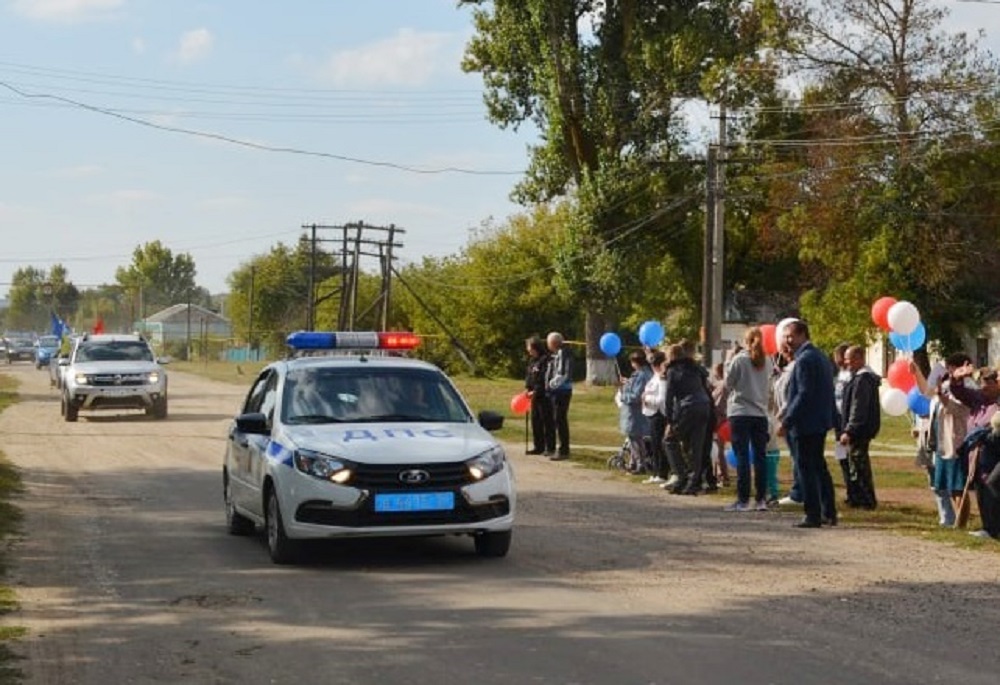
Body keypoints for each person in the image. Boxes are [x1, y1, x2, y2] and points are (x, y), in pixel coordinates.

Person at [778, 320, 838, 528]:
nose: (787, 341)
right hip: (818, 420)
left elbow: (804, 393)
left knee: (806, 468)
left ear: (803, 335)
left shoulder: (804, 359)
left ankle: (812, 514)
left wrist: (788, 420)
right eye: (786, 337)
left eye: (790, 336)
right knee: (819, 467)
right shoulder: (820, 356)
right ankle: (828, 511)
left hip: (806, 422)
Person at [912, 353, 972, 526]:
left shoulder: (967, 387)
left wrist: (943, 398)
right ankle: (957, 522)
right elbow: (927, 392)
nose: (947, 371)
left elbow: (961, 410)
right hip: (940, 441)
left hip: (956, 440)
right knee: (949, 485)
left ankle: (961, 523)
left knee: (959, 485)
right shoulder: (944, 385)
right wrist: (916, 372)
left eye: (950, 367)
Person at [723, 327, 773, 512]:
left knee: (742, 455)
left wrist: (728, 360)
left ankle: (743, 499)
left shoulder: (740, 359)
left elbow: (729, 383)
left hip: (740, 411)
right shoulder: (767, 360)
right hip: (760, 413)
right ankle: (761, 499)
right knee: (760, 457)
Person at [662, 343, 712, 495]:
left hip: (688, 407)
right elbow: (705, 377)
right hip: (704, 406)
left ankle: (681, 475)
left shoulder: (673, 371)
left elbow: (669, 398)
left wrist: (670, 421)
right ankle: (693, 482)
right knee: (695, 447)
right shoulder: (695, 368)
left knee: (669, 440)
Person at [838, 346, 881, 510]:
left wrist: (849, 430)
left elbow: (858, 407)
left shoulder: (863, 379)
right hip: (860, 429)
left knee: (859, 465)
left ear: (859, 359)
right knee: (854, 463)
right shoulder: (858, 378)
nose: (846, 362)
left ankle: (867, 500)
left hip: (860, 430)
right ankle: (856, 497)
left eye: (849, 359)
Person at [641, 350, 670, 485]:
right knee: (654, 445)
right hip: (651, 414)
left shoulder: (662, 379)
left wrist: (647, 399)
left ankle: (662, 473)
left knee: (659, 444)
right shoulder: (654, 377)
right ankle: (656, 472)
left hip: (659, 414)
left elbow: (661, 399)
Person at [524, 336, 555, 456]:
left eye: (529, 347)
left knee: (546, 421)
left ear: (534, 347)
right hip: (533, 396)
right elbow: (529, 376)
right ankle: (539, 446)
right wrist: (527, 388)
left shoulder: (545, 360)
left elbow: (543, 378)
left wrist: (536, 390)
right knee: (535, 421)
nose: (528, 350)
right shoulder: (532, 360)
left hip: (544, 395)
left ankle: (550, 447)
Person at [545, 331, 573, 460]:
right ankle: (561, 448)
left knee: (560, 420)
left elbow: (562, 373)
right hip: (560, 390)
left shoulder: (562, 353)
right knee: (558, 420)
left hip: (562, 391)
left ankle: (563, 450)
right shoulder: (558, 353)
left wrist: (551, 384)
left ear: (553, 343)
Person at [831, 343, 853, 502]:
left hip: (846, 420)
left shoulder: (850, 376)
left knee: (849, 457)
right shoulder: (840, 374)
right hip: (838, 419)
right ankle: (849, 488)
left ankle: (854, 491)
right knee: (842, 456)